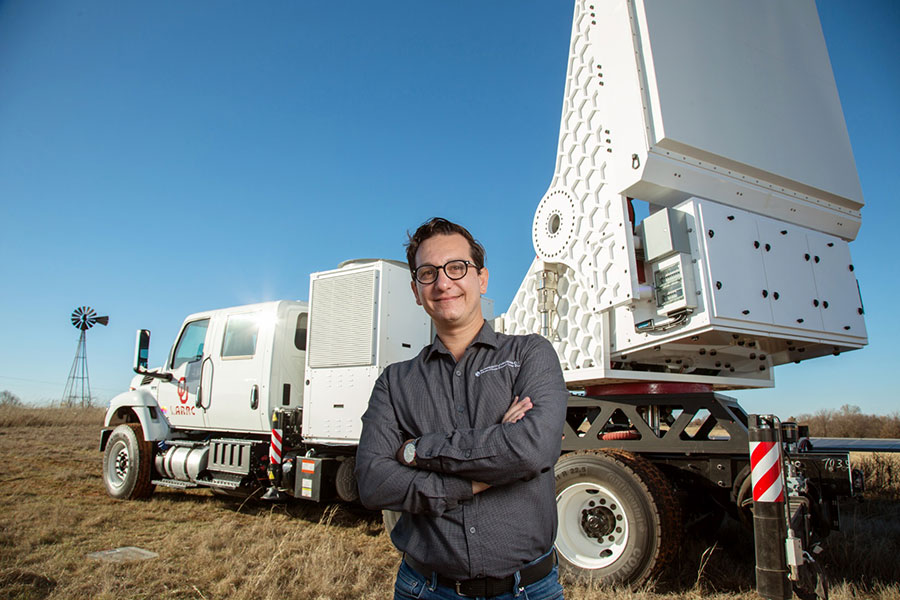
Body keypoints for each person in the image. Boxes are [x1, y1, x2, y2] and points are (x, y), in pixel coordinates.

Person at [355, 217, 568, 599]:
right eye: (427, 273)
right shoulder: (394, 381)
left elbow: (532, 449)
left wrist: (416, 450)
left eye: (457, 268)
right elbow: (372, 481)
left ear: (481, 279)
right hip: (426, 589)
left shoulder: (529, 354)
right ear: (416, 291)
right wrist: (474, 478)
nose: (443, 282)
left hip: (529, 590)